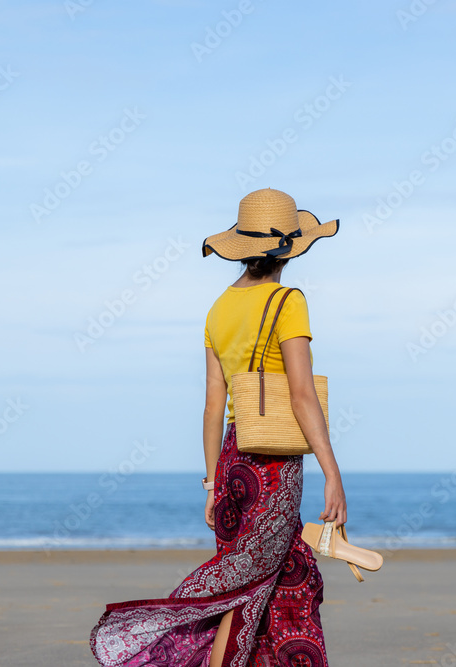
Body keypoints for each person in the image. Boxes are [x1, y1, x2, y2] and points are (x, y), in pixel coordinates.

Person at [89, 187, 345, 667]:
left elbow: (212, 407)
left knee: (287, 572)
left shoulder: (218, 309)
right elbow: (301, 393)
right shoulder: (289, 301)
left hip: (230, 462)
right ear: (291, 247)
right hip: (271, 466)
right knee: (247, 589)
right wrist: (332, 471)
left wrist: (211, 484)